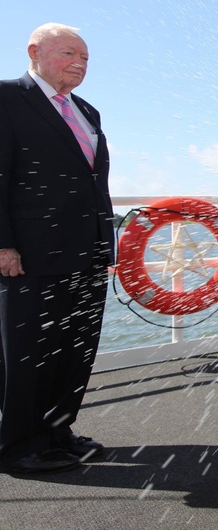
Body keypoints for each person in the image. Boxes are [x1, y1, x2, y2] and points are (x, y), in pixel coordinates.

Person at [0, 23, 114, 474]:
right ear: (35, 51)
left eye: (85, 58)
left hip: (86, 251)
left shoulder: (87, 111)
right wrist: (3, 244)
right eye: (69, 53)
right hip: (29, 253)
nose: (80, 63)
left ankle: (57, 432)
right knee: (28, 350)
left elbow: (93, 182)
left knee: (75, 348)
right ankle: (19, 445)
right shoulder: (7, 99)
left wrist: (107, 245)